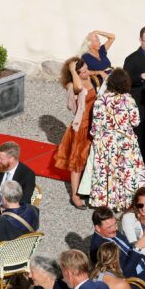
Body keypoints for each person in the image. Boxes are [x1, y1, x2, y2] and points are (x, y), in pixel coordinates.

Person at [89, 68, 145, 210]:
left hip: (106, 141)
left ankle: (107, 201)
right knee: (126, 171)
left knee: (107, 171)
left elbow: (95, 126)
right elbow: (135, 122)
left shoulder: (100, 100)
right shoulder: (129, 99)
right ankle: (126, 201)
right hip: (125, 140)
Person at [54, 57, 98, 208]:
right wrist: (73, 71)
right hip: (82, 128)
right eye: (83, 72)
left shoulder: (88, 77)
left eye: (87, 69)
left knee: (93, 159)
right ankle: (74, 195)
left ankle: (88, 188)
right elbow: (79, 87)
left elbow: (92, 74)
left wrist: (100, 72)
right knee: (77, 162)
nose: (87, 73)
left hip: (95, 125)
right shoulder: (71, 85)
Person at [122, 26, 145, 157]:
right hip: (139, 103)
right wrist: (141, 76)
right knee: (140, 137)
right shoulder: (131, 58)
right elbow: (125, 82)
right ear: (140, 40)